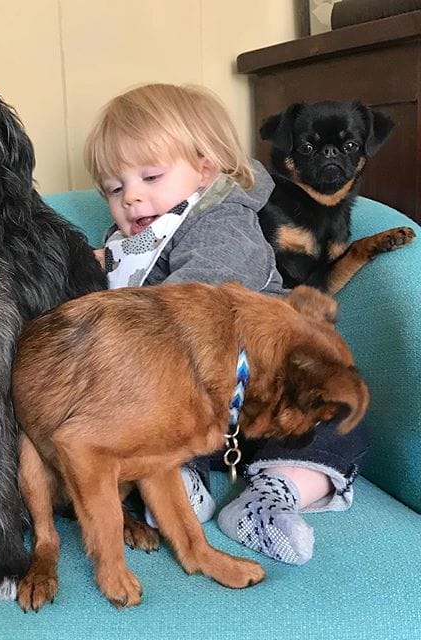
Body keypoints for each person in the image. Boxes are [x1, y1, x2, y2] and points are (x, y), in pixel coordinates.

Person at [83, 83, 367, 565]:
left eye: (150, 176)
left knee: (336, 421)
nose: (131, 197)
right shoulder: (131, 241)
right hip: (196, 407)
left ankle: (275, 494)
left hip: (267, 389)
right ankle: (176, 482)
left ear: (206, 169)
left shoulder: (221, 220)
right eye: (114, 188)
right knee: (142, 417)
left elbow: (197, 299)